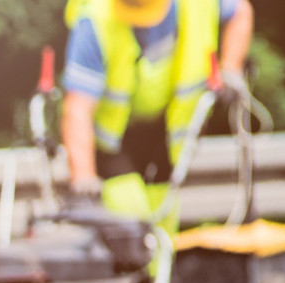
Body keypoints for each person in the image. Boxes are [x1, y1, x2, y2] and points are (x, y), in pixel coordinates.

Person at [62, 0, 252, 227]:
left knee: (163, 222)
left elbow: (241, 12)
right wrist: (84, 176)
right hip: (113, 143)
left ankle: (161, 262)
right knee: (129, 218)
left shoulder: (197, 5)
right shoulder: (95, 21)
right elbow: (77, 109)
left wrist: (230, 67)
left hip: (166, 133)